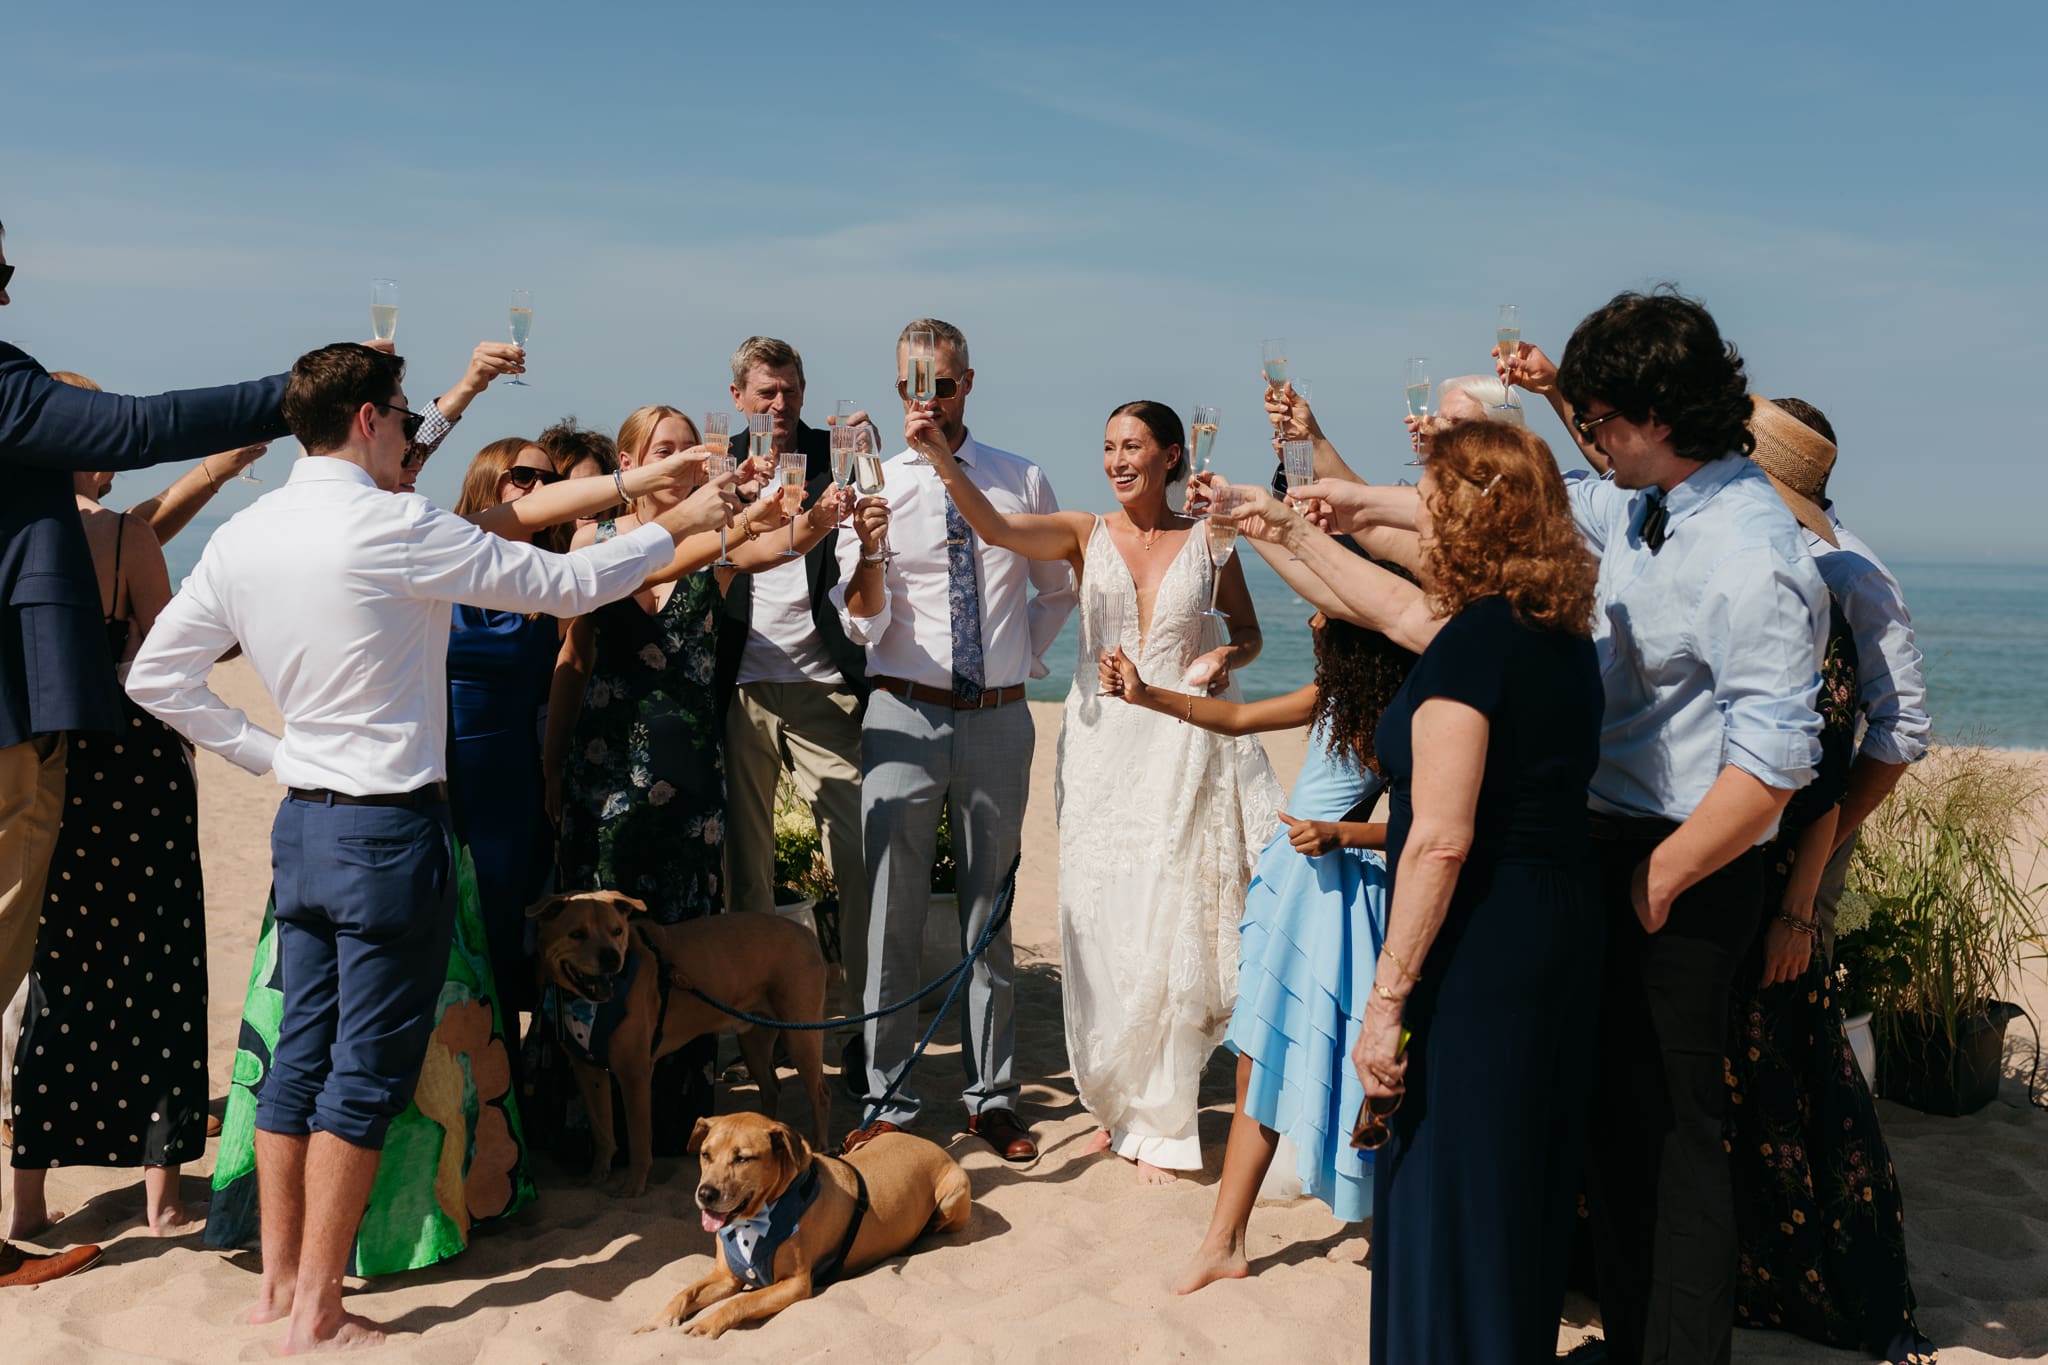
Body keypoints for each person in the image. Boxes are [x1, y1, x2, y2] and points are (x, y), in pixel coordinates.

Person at [125, 343, 740, 1352]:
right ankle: (319, 1310)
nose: (411, 432)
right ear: (366, 419)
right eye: (404, 416)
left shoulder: (248, 531)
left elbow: (157, 678)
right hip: (386, 828)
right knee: (364, 1074)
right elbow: (570, 586)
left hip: (302, 826)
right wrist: (676, 526)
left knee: (294, 1065)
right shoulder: (394, 523)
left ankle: (279, 1289)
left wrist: (270, 755)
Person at [1499, 290, 1830, 1365]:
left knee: (1674, 1142)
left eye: (1596, 418)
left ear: (1649, 415)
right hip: (1618, 850)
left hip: (1684, 871)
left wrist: (1655, 885)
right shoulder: (1650, 502)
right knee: (1616, 1127)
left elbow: (1772, 765)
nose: (1587, 438)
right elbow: (1571, 493)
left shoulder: (1749, 552)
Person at [0, 219, 291, 1287]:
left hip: (53, 741)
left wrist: (212, 474)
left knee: (40, 974)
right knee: (103, 965)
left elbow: (144, 507)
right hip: (81, 747)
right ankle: (126, 1202)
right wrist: (282, 406)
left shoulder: (81, 519)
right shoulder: (96, 507)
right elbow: (139, 444)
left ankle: (22, 1199)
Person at [920, 398, 1274, 1179]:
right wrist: (946, 462)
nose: (1117, 460)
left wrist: (1223, 659)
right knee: (1101, 921)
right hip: (1099, 749)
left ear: (1173, 456)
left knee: (1168, 916)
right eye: (1109, 445)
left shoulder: (1210, 539)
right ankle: (1118, 1104)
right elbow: (997, 530)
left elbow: (1246, 632)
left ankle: (1165, 1113)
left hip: (1179, 743)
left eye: (1134, 446)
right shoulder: (1084, 533)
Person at [544, 405, 844, 1160]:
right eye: (665, 447)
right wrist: (551, 765)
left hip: (689, 784)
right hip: (605, 778)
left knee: (682, 954)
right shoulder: (593, 541)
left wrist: (819, 515)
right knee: (596, 944)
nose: (682, 457)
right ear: (632, 459)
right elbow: (573, 660)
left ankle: (678, 1118)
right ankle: (591, 1128)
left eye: (689, 446)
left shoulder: (718, 543)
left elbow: (785, 543)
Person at [1112, 606, 1416, 1292]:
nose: (1308, 619)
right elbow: (1238, 720)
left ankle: (1371, 1223)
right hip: (1289, 879)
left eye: (1325, 613)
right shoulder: (1336, 696)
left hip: (1334, 894)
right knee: (1258, 1063)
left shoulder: (1395, 712)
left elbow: (1425, 827)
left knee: (1344, 1069)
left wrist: (1344, 834)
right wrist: (1145, 693)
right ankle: (1227, 1239)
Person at [833, 319, 1078, 1162]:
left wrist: (1026, 660)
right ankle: (887, 1099)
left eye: (937, 383)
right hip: (901, 711)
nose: (922, 400)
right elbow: (862, 620)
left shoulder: (1021, 477)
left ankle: (992, 1097)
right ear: (896, 389)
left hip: (1000, 717)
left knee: (991, 911)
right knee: (891, 915)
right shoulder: (872, 485)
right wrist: (867, 550)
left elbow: (1057, 584)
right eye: (909, 386)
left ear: (967, 381)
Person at [1722, 400, 1935, 1365]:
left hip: (1793, 858)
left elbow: (1892, 737)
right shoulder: (1739, 555)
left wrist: (1810, 884)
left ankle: (1809, 1282)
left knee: (1789, 1060)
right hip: (1729, 854)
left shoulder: (1846, 573)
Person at [10, 372, 206, 1240]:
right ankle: (160, 1197)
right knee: (159, 967)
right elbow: (167, 659)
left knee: (58, 972)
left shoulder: (19, 532)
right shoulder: (126, 538)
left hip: (52, 759)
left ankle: (25, 1199)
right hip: (136, 762)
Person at [714, 338, 872, 1063]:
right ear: (741, 395)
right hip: (740, 688)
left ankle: (862, 1025)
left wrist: (870, 451)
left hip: (824, 686)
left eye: (790, 391)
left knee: (857, 856)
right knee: (747, 873)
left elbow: (875, 512)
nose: (779, 405)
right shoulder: (720, 464)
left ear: (805, 392)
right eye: (765, 392)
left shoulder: (832, 450)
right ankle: (758, 1038)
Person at [1765, 396, 1930, 960]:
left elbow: (1901, 727)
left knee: (1795, 1000)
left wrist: (1821, 847)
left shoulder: (1851, 573)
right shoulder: (1763, 552)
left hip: (1809, 827)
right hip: (1754, 818)